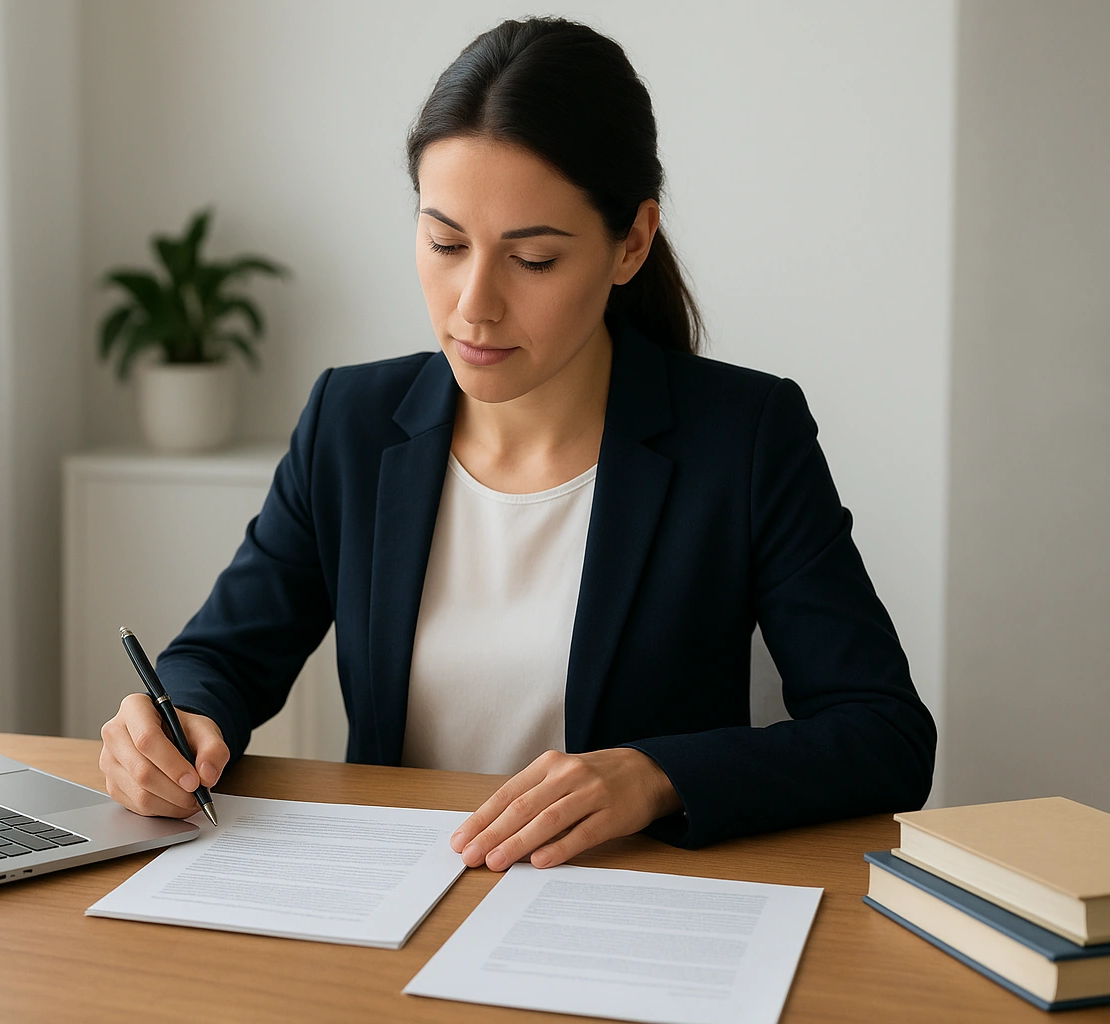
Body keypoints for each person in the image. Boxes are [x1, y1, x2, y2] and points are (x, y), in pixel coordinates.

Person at [98, 17, 936, 867]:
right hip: (392, 905)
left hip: (625, 912)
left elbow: (884, 734)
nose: (474, 304)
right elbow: (222, 657)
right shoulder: (350, 421)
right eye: (444, 243)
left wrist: (657, 774)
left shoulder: (746, 439)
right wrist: (179, 722)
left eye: (531, 259)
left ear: (631, 243)